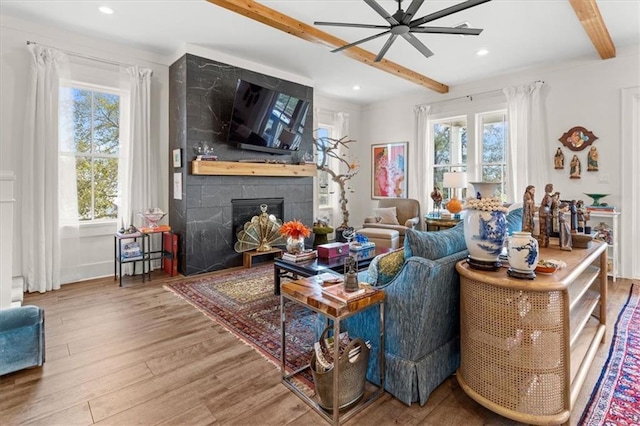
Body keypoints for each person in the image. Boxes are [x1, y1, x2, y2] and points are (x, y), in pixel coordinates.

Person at [538, 183, 553, 248]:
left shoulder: (548, 196)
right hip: (544, 214)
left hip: (546, 213)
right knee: (543, 229)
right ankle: (543, 242)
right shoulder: (547, 197)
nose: (552, 189)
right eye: (550, 187)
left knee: (546, 229)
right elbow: (545, 204)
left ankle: (545, 242)